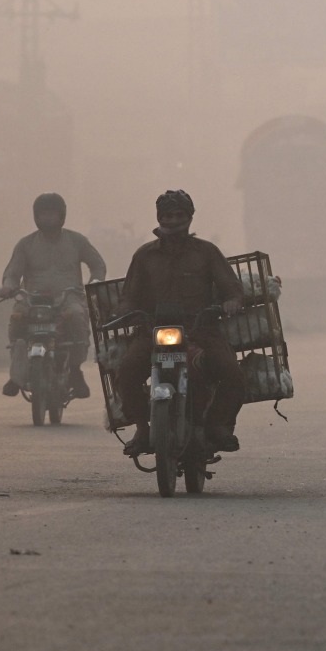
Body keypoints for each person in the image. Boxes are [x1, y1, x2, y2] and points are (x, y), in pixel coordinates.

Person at [114, 190, 248, 456]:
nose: (173, 221)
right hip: (153, 332)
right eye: (167, 215)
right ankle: (142, 428)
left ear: (189, 217)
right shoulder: (144, 256)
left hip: (201, 331)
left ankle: (218, 426)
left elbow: (232, 289)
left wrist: (232, 301)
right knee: (126, 371)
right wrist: (125, 312)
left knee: (234, 374)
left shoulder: (207, 252)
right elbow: (128, 295)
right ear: (159, 217)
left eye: (179, 215)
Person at [0, 193, 106, 399]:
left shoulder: (77, 241)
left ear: (61, 216)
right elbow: (12, 273)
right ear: (36, 217)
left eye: (52, 214)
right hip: (32, 299)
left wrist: (96, 282)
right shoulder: (25, 244)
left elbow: (98, 265)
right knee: (17, 320)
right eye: (42, 214)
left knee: (77, 317)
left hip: (68, 298)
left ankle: (75, 371)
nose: (47, 218)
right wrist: (8, 286)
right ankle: (17, 374)